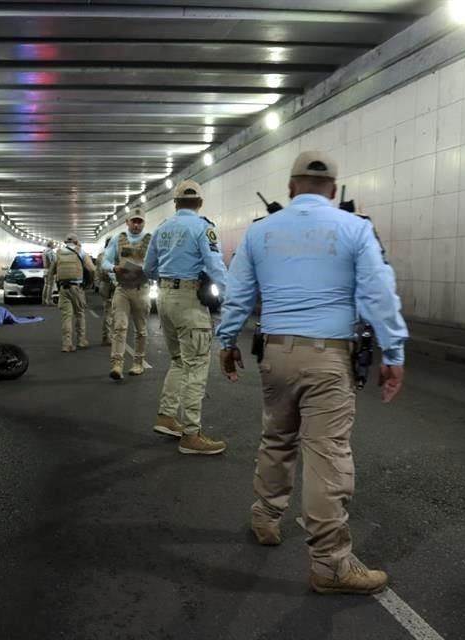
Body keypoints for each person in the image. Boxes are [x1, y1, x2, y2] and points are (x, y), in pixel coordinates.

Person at [216, 150, 408, 595]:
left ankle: (266, 518)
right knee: (327, 456)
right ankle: (331, 565)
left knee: (277, 437)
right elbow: (379, 294)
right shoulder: (355, 228)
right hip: (329, 358)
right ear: (335, 190)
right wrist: (393, 353)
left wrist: (227, 342)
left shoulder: (260, 231)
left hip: (276, 352)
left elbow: (239, 292)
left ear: (290, 188)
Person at [143, 180, 228, 455]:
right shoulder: (203, 227)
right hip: (190, 301)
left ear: (176, 203)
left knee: (180, 361)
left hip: (166, 298)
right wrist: (231, 297)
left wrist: (169, 280)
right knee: (196, 365)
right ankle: (191, 434)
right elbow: (215, 266)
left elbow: (149, 268)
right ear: (200, 203)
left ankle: (167, 417)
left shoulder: (163, 227)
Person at [103, 208, 152, 379]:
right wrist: (114, 268)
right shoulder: (118, 240)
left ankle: (138, 363)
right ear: (127, 222)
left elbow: (157, 262)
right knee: (119, 327)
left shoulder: (150, 241)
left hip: (141, 289)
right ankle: (117, 364)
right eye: (134, 221)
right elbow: (105, 262)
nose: (137, 224)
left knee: (141, 330)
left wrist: (148, 270)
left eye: (140, 221)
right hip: (122, 289)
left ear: (143, 223)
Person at [49, 233, 95, 352]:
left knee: (66, 317)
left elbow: (51, 271)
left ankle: (67, 344)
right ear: (76, 241)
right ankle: (81, 341)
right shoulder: (81, 252)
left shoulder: (58, 253)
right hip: (77, 288)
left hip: (63, 288)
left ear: (65, 242)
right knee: (79, 314)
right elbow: (91, 268)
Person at [97, 237, 117, 345]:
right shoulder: (114, 255)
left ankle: (106, 336)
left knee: (108, 311)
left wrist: (97, 284)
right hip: (113, 285)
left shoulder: (101, 255)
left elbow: (98, 272)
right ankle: (110, 337)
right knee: (113, 312)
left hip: (104, 285)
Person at [42, 241, 57, 305]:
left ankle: (44, 299)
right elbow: (53, 261)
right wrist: (53, 270)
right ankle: (49, 300)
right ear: (50, 245)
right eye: (53, 244)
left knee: (46, 285)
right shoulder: (50, 252)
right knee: (50, 286)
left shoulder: (44, 251)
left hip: (45, 269)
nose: (54, 245)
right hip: (50, 269)